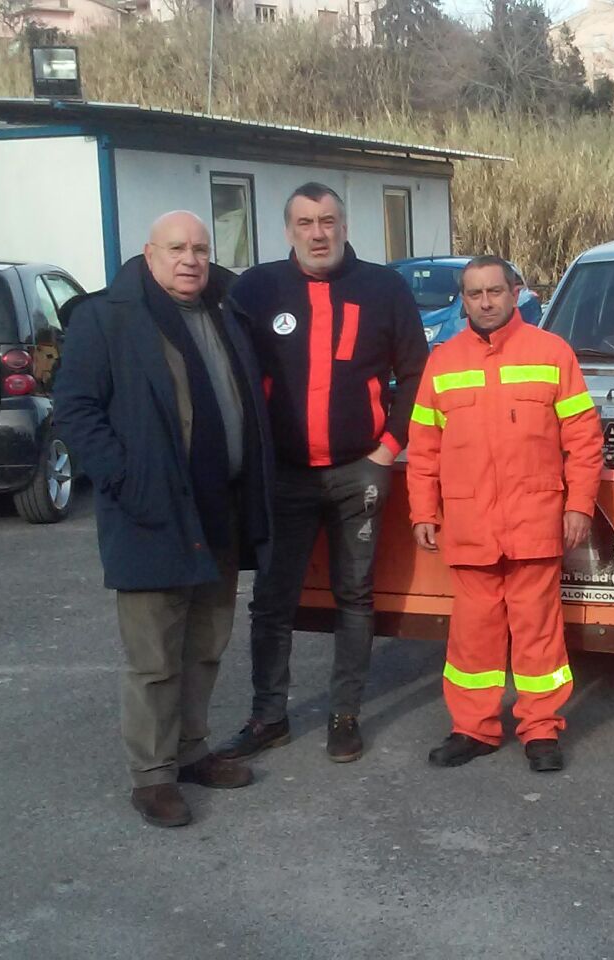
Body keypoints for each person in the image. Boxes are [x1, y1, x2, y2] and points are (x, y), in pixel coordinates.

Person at [54, 211, 273, 828]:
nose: (191, 260)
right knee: (154, 655)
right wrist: (125, 478)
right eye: (177, 248)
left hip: (220, 506)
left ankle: (192, 749)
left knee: (206, 642)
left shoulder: (227, 311)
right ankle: (152, 776)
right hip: (152, 510)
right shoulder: (108, 316)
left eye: (201, 249)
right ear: (149, 254)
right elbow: (75, 410)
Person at [218, 183, 429, 764]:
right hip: (282, 476)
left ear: (344, 224)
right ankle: (268, 717)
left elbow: (417, 373)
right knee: (271, 600)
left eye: (328, 220)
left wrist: (389, 447)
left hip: (359, 471)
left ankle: (344, 714)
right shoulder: (257, 289)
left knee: (354, 597)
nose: (318, 232)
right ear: (288, 230)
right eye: (306, 222)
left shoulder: (383, 287)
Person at [407, 256, 603, 772]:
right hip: (470, 526)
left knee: (539, 634)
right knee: (473, 637)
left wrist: (580, 504)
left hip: (535, 522)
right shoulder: (443, 362)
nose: (486, 302)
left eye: (495, 291)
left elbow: (584, 440)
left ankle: (542, 730)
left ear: (516, 293)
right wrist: (423, 510)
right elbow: (424, 447)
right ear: (464, 299)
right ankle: (473, 729)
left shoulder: (552, 353)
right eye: (475, 294)